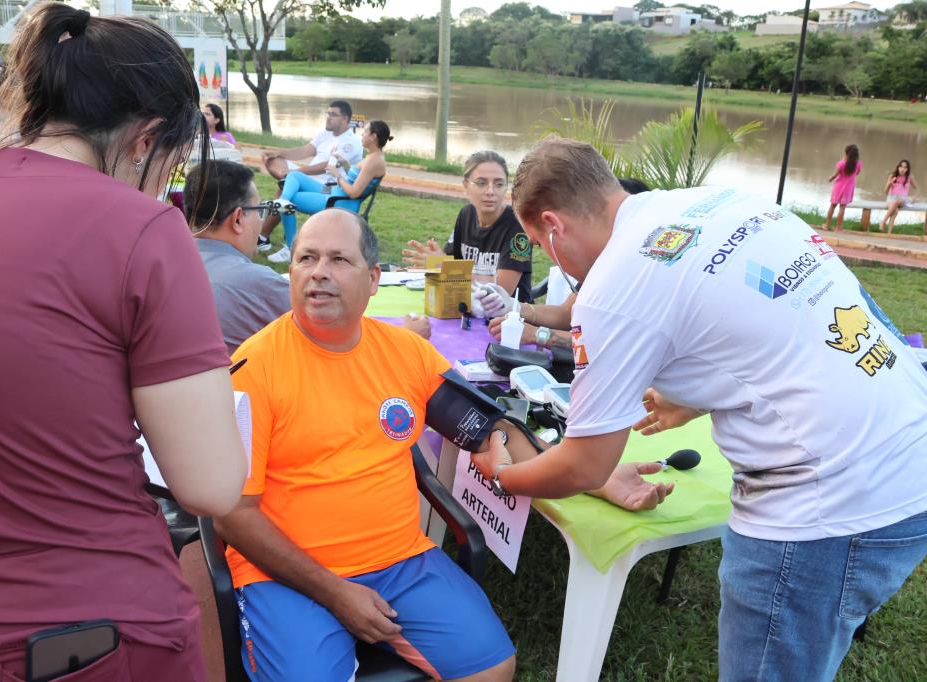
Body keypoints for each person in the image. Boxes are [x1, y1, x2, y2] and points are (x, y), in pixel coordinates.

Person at [471, 137, 927, 682]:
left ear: (553, 225)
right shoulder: (728, 202)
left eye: (538, 243)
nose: (549, 257)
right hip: (910, 448)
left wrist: (504, 476)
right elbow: (812, 322)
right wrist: (695, 397)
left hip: (825, 505)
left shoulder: (614, 285)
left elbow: (585, 465)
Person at [0, 4, 248, 679]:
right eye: (173, 168)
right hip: (83, 629)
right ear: (146, 140)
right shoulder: (143, 232)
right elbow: (209, 484)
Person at [216, 209, 673, 681]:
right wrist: (334, 592)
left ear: (374, 278)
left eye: (338, 259)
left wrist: (594, 478)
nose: (318, 272)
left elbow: (489, 431)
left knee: (494, 668)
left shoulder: (405, 353)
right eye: (305, 258)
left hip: (399, 561)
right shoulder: (254, 368)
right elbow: (233, 514)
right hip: (288, 576)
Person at [482, 178, 651, 349]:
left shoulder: (639, 276)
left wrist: (538, 334)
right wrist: (514, 306)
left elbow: (605, 344)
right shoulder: (602, 260)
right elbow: (565, 314)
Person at [184, 161, 290, 352]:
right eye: (259, 211)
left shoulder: (155, 268)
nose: (261, 220)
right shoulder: (262, 285)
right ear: (238, 219)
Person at [402, 151, 533, 302]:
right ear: (465, 185)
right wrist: (427, 261)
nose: (490, 191)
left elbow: (501, 289)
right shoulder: (466, 214)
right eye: (481, 183)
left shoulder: (517, 226)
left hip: (509, 319)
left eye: (499, 184)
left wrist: (444, 265)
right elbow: (451, 262)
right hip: (469, 307)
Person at [264, 119, 391, 264]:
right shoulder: (374, 156)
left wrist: (337, 175)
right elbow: (357, 178)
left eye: (365, 131)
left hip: (340, 200)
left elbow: (354, 192)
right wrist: (344, 163)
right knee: (295, 175)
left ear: (373, 136)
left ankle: (290, 249)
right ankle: (283, 200)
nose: (362, 134)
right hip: (334, 192)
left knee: (291, 201)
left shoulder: (374, 161)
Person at [257, 100, 363, 252]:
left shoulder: (350, 142)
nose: (328, 117)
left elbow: (327, 166)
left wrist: (298, 172)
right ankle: (286, 181)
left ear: (345, 119)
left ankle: (267, 238)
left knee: (285, 193)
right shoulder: (326, 133)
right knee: (273, 160)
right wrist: (279, 152)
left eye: (333, 115)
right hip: (308, 178)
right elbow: (304, 150)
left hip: (327, 186)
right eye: (328, 113)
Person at [822, 144, 862, 231]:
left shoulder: (841, 164)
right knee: (842, 207)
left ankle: (827, 225)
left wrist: (830, 179)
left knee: (833, 206)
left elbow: (835, 175)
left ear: (846, 153)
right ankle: (838, 227)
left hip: (839, 187)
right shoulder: (858, 164)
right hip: (848, 188)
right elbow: (857, 173)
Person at [880, 159, 918, 233]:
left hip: (902, 199)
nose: (902, 169)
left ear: (907, 169)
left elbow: (916, 189)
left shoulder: (909, 177)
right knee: (895, 212)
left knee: (896, 202)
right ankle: (889, 234)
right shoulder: (892, 176)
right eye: (901, 167)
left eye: (905, 167)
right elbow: (886, 192)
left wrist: (914, 197)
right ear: (898, 167)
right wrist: (889, 184)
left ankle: (883, 221)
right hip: (891, 198)